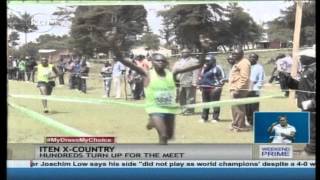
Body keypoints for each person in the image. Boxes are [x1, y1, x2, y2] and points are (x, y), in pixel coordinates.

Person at [116, 53, 205, 145]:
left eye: (163, 61)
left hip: (170, 109)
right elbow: (125, 62)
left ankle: (152, 122)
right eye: (157, 60)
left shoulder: (173, 73)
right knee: (163, 136)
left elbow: (199, 65)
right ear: (152, 62)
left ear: (166, 63)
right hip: (154, 108)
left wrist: (204, 49)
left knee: (169, 136)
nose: (160, 62)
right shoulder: (146, 74)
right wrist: (115, 48)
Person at [287, 46, 316, 155]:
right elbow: (302, 86)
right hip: (304, 105)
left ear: (311, 58)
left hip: (311, 106)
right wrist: (290, 81)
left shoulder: (314, 70)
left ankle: (310, 151)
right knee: (308, 128)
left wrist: (312, 103)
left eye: (303, 57)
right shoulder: (307, 69)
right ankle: (308, 148)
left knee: (312, 129)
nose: (300, 59)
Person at [197, 54, 226, 123]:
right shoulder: (204, 68)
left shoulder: (217, 68)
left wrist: (218, 86)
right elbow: (201, 77)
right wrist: (199, 84)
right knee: (205, 103)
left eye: (208, 61)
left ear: (212, 61)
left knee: (215, 103)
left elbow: (223, 78)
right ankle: (204, 117)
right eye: (205, 61)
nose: (206, 62)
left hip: (214, 89)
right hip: (205, 88)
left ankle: (215, 118)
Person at [228, 48, 251, 132]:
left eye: (236, 54)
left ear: (242, 54)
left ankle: (240, 126)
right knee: (235, 108)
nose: (234, 56)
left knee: (239, 109)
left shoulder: (244, 63)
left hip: (239, 89)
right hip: (235, 88)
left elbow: (244, 78)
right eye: (233, 54)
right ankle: (236, 124)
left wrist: (238, 89)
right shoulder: (238, 62)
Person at [172, 48, 199, 115]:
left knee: (190, 97)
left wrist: (194, 81)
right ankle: (183, 110)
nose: (184, 53)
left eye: (186, 52)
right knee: (181, 97)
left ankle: (190, 111)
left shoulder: (194, 61)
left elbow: (196, 72)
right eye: (183, 52)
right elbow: (174, 71)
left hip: (189, 82)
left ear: (189, 53)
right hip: (179, 82)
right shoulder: (178, 61)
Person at [245, 53, 265, 126]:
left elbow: (261, 79)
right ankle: (249, 120)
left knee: (254, 106)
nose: (251, 58)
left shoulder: (259, 67)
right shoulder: (247, 67)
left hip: (255, 90)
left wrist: (257, 87)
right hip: (246, 90)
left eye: (253, 57)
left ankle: (255, 122)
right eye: (250, 57)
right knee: (247, 106)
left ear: (256, 59)